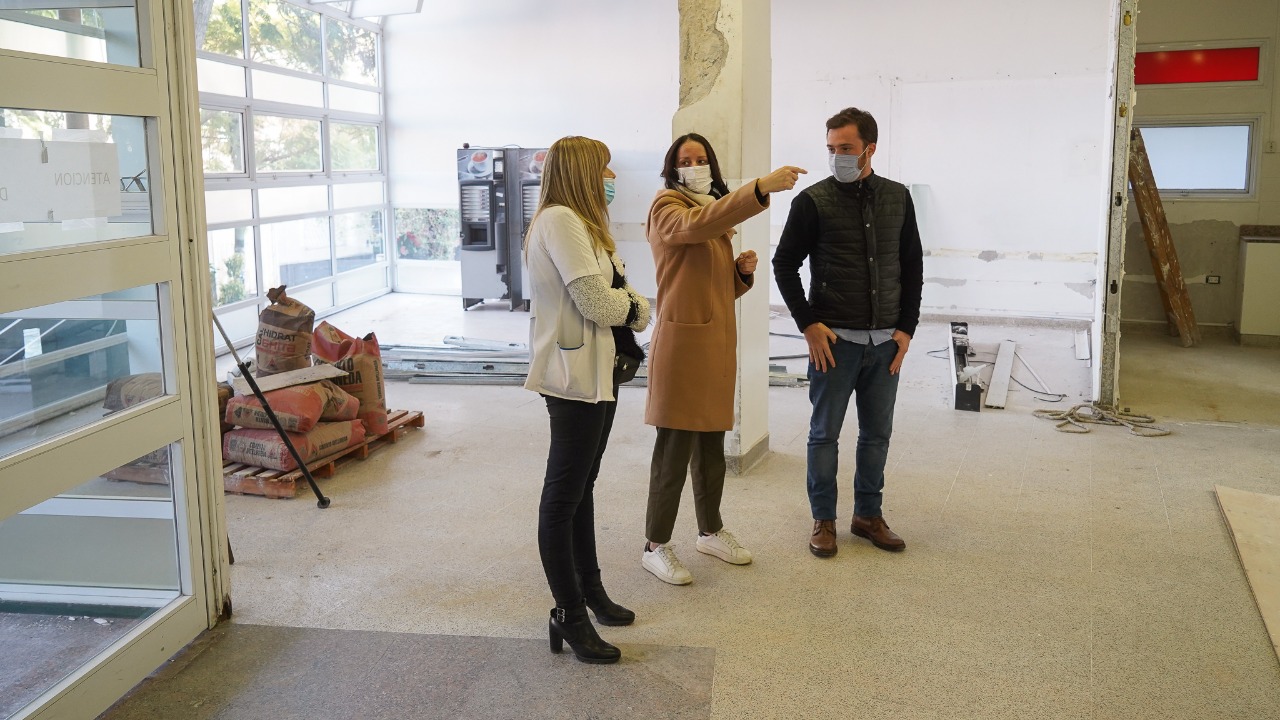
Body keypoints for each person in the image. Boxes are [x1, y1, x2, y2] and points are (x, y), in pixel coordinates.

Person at [641, 132, 805, 585]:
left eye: (701, 160)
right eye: (685, 160)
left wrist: (738, 274)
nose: (694, 167)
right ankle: (655, 544)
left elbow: (707, 287)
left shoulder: (709, 212)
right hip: (681, 348)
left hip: (713, 345)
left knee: (712, 447)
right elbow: (694, 227)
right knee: (674, 449)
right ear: (672, 168)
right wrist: (760, 188)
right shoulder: (667, 208)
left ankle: (709, 530)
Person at [772, 107, 924, 558]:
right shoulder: (812, 201)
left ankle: (868, 515)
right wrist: (807, 324)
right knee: (824, 435)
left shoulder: (898, 197)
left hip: (885, 344)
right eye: (831, 148)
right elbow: (784, 264)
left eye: (846, 148)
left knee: (877, 435)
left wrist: (906, 329)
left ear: (869, 149)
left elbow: (912, 266)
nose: (837, 156)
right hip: (834, 344)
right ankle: (824, 519)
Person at [524, 136, 651, 663]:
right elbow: (600, 302)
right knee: (562, 497)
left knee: (581, 487)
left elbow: (614, 291)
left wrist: (629, 303)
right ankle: (569, 614)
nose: (611, 178)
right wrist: (639, 308)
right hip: (573, 377)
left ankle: (591, 591)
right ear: (582, 172)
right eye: (605, 168)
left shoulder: (586, 224)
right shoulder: (559, 221)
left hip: (599, 373)